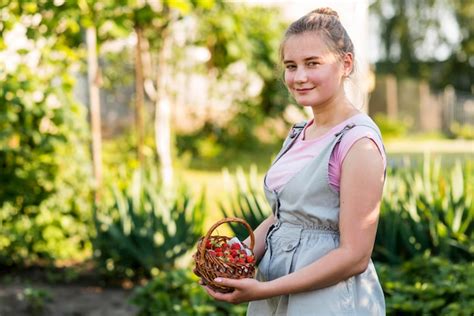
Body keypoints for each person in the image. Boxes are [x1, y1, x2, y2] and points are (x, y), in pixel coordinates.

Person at [202, 7, 386, 315]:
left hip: (325, 301)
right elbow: (283, 217)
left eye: (312, 63)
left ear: (346, 64)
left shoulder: (359, 144)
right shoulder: (300, 133)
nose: (299, 77)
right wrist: (235, 256)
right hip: (275, 293)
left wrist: (265, 289)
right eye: (291, 66)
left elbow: (355, 256)